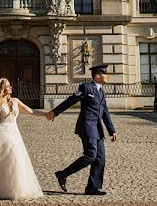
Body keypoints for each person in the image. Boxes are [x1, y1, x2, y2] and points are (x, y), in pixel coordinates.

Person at [46, 63, 117, 196]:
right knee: (91, 155)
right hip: (87, 126)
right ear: (97, 76)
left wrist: (112, 130)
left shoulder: (102, 92)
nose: (107, 75)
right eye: (104, 73)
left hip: (98, 129)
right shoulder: (86, 87)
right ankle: (63, 174)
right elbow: (71, 100)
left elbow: (105, 112)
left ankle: (92, 187)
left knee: (100, 158)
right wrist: (55, 112)